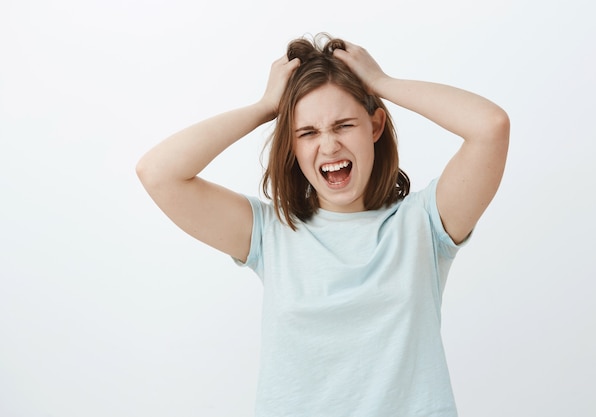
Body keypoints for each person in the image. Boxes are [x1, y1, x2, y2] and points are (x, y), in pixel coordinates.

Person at [136, 33, 509, 417]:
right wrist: (266, 107)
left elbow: (490, 127)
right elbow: (158, 173)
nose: (328, 146)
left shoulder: (424, 225)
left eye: (344, 125)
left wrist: (382, 83)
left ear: (375, 126)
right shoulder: (271, 233)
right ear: (292, 146)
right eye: (308, 133)